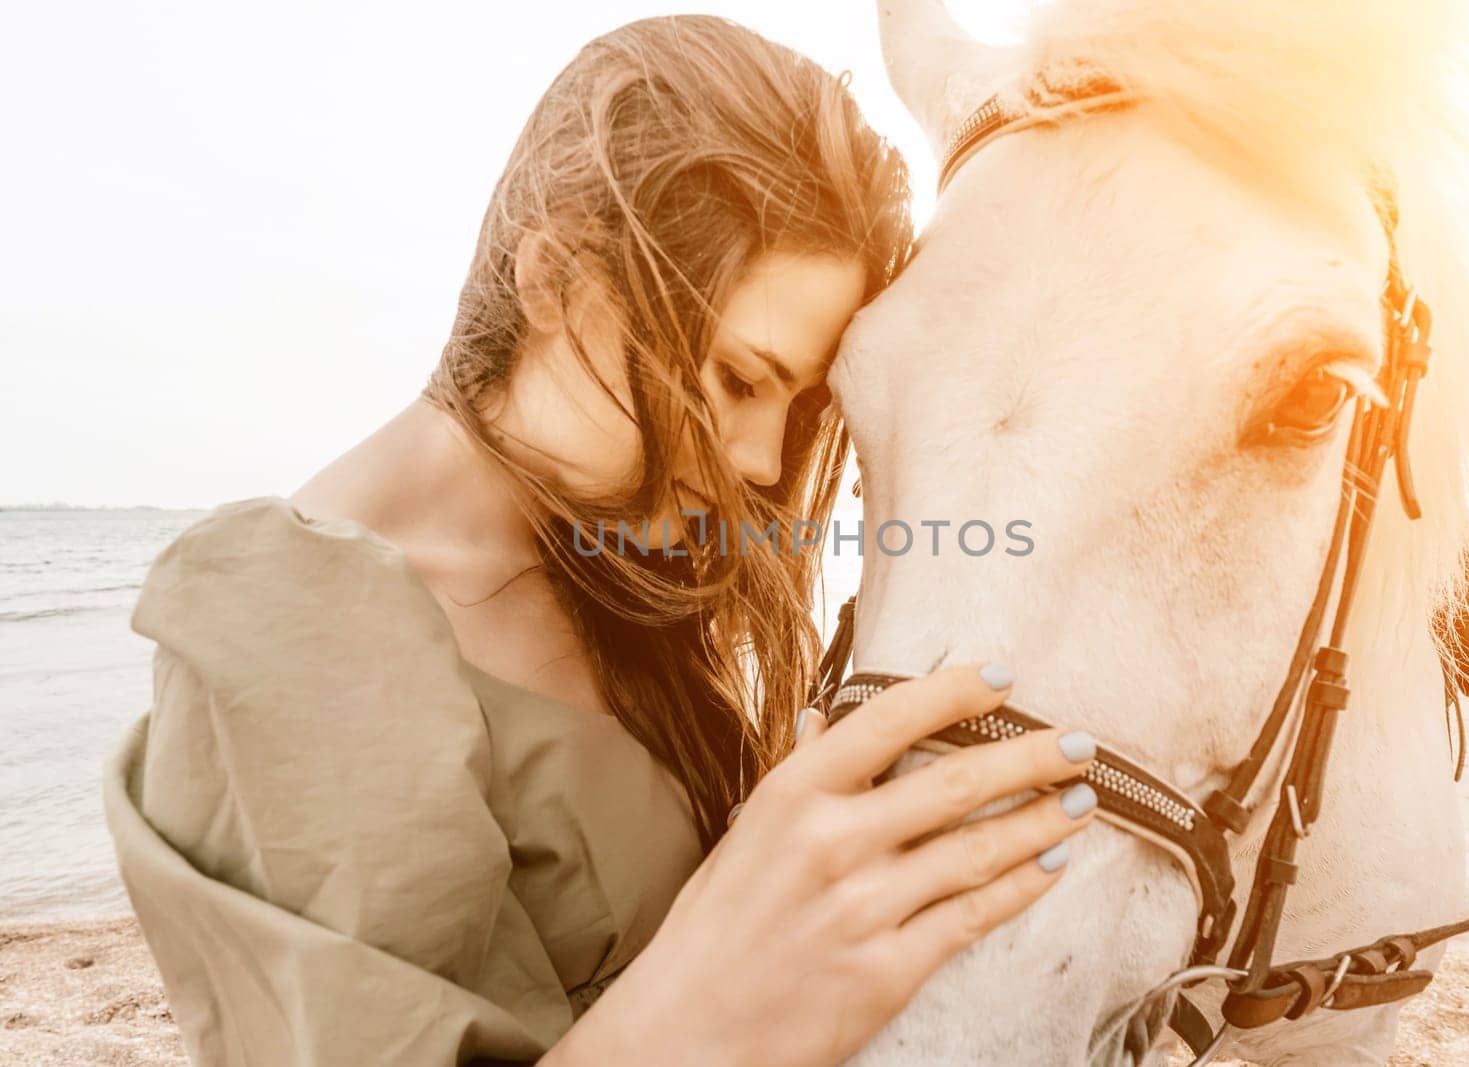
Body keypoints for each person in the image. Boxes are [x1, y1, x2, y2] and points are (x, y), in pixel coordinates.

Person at [103, 15, 1100, 1066]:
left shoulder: (612, 564)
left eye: (798, 403)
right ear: (557, 277)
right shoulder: (289, 616)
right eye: (735, 378)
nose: (763, 462)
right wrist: (714, 976)